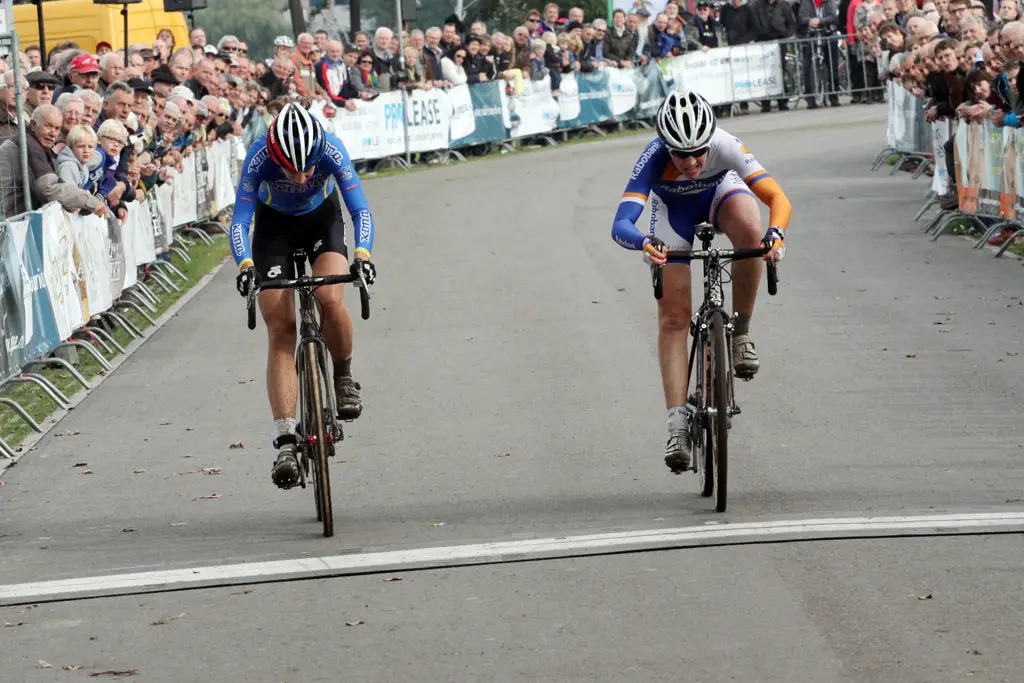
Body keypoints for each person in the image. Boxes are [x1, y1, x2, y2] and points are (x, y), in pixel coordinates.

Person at [610, 90, 791, 473]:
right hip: (671, 213)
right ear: (666, 145)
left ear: (711, 140)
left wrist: (776, 234)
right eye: (681, 154)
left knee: (750, 227)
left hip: (720, 197)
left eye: (699, 152)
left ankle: (740, 332)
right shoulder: (653, 157)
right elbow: (621, 223)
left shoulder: (726, 146)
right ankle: (677, 426)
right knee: (674, 318)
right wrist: (645, 242)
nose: (691, 162)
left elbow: (777, 197)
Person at [230, 102, 378, 490]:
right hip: (273, 231)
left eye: (308, 167)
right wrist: (245, 265)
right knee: (280, 329)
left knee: (330, 300)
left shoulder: (331, 149)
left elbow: (359, 210)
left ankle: (343, 375)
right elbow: (241, 220)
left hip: (320, 222)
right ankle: (284, 440)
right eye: (291, 169)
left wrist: (361, 255)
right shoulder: (258, 156)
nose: (301, 176)